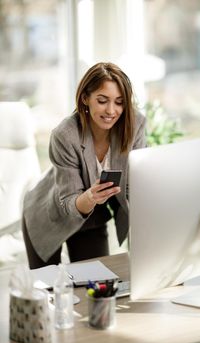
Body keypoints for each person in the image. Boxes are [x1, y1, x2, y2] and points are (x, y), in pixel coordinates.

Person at [22, 62, 146, 269]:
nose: (111, 110)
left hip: (93, 217)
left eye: (119, 102)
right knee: (49, 291)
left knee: (96, 288)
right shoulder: (65, 134)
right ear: (85, 98)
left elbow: (139, 180)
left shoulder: (134, 125)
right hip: (49, 215)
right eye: (102, 100)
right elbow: (69, 201)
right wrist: (90, 196)